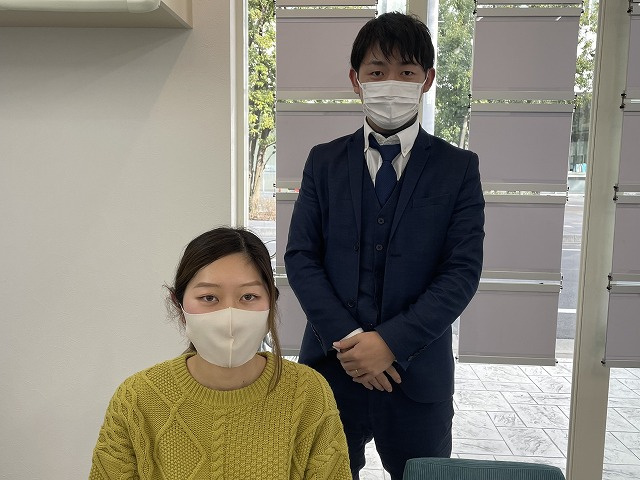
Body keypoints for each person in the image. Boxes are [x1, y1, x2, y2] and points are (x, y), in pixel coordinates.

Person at [284, 12, 485, 480]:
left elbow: (461, 272)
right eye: (376, 71)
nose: (390, 83)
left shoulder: (458, 168)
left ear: (427, 80)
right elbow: (301, 257)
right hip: (332, 369)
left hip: (418, 375)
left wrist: (390, 343)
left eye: (406, 71)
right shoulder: (323, 161)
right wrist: (353, 344)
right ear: (356, 80)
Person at [89, 227, 351, 480]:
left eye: (248, 296)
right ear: (179, 305)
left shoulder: (308, 393)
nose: (230, 316)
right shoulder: (136, 399)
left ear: (271, 302)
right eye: (209, 298)